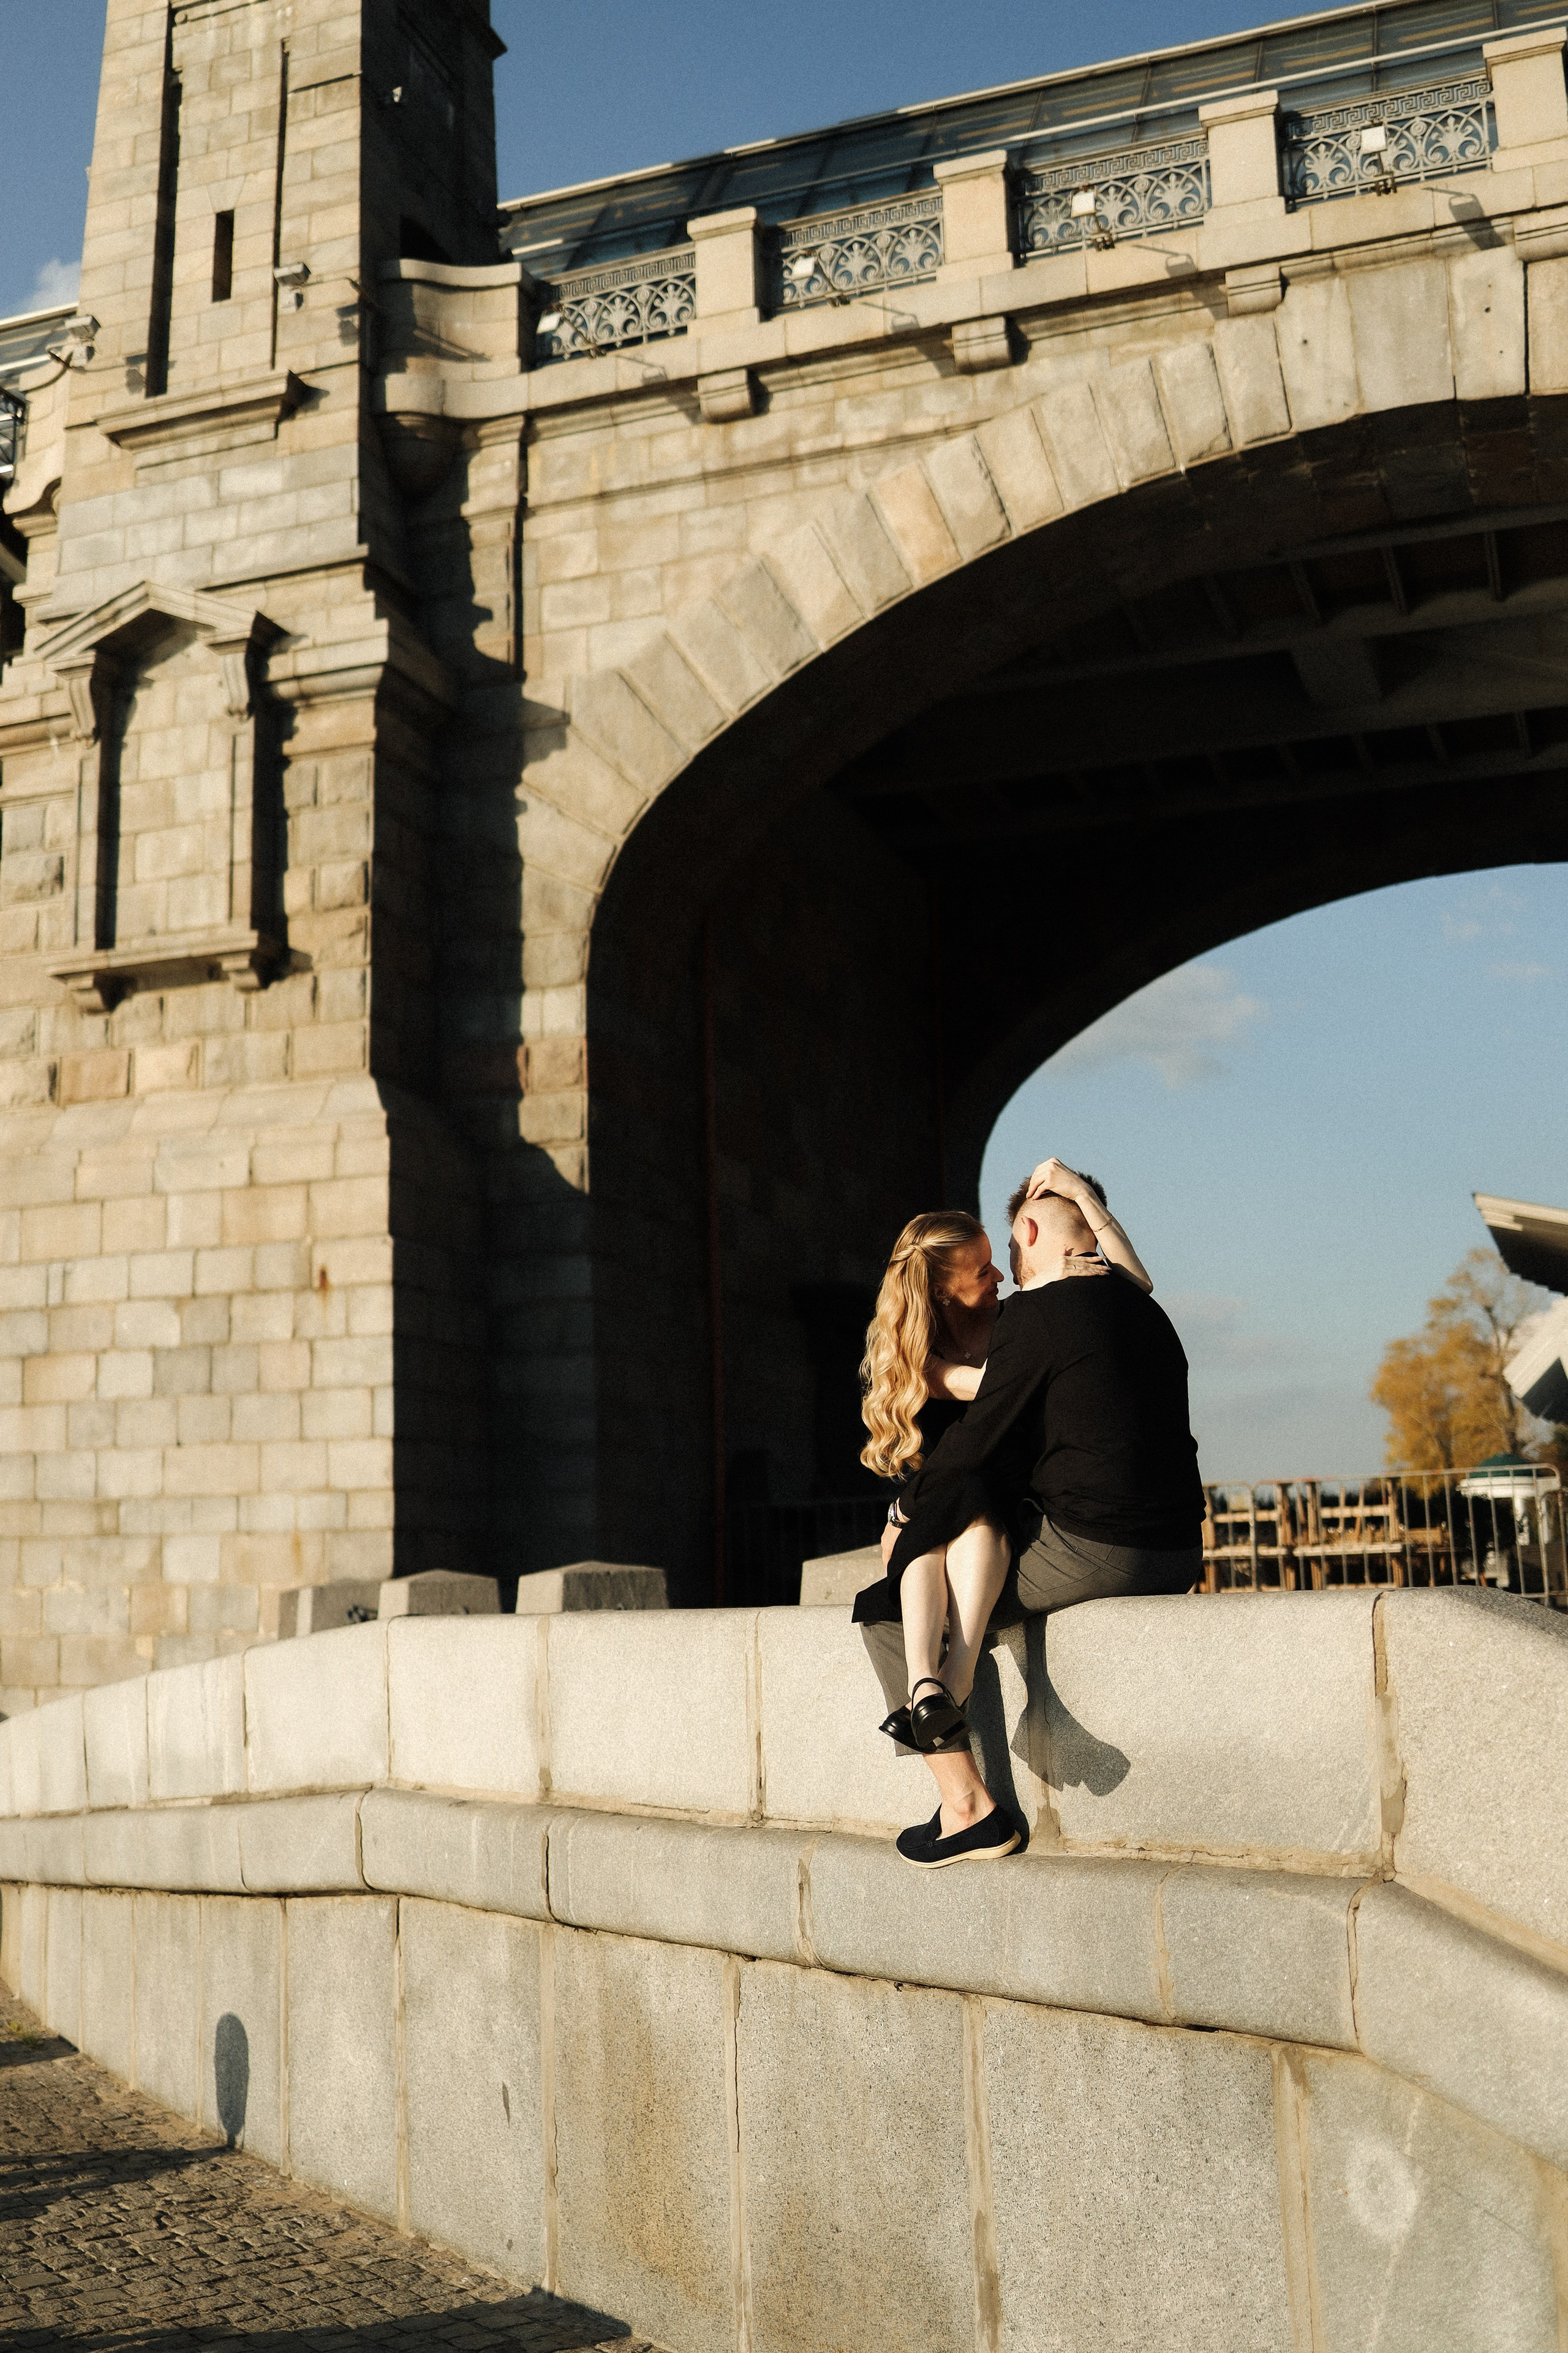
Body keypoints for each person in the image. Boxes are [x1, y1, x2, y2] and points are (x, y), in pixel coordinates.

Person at [855, 1161, 1180, 1869]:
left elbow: (978, 1438)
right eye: (985, 1268)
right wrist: (1084, 1208)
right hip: (1178, 1545)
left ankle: (966, 1807)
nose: (1003, 1272)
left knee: (884, 1609)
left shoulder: (1032, 1317)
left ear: (1027, 1233)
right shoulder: (1138, 1305)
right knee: (961, 1507)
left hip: (1097, 1544)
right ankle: (949, 1689)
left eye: (1004, 1251)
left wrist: (904, 1510)